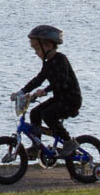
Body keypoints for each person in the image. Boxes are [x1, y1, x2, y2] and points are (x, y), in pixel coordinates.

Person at [14, 24, 82, 157]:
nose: (36, 52)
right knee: (35, 113)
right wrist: (21, 92)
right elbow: (39, 79)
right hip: (59, 98)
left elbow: (61, 81)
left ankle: (69, 142)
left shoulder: (61, 60)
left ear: (48, 46)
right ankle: (36, 146)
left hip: (71, 99)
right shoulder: (48, 63)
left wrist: (44, 91)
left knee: (48, 115)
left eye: (38, 48)